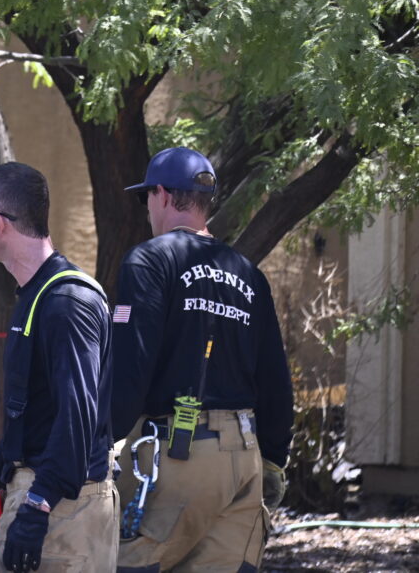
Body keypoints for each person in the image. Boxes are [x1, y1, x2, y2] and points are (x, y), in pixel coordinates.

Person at [111, 147, 294, 572]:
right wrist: (273, 460)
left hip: (178, 457)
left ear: (160, 194)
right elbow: (275, 380)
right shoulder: (249, 274)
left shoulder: (149, 260)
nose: (147, 209)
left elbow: (130, 365)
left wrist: (98, 442)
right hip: (244, 459)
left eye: (145, 197)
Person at [0, 162, 118, 573]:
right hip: (47, 498)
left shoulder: (66, 302)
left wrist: (37, 508)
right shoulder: (37, 296)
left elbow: (76, 419)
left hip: (64, 509)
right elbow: (32, 420)